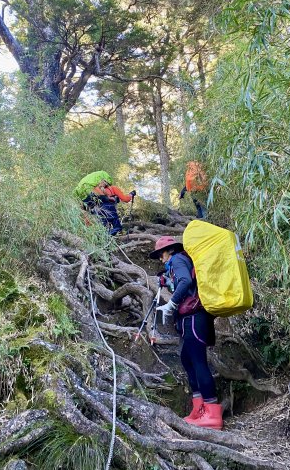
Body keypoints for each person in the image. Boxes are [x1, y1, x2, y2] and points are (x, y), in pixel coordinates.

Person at [149, 235, 223, 430]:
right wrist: (165, 280)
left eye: (161, 254)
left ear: (169, 251)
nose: (160, 258)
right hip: (188, 318)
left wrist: (171, 304)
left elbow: (184, 282)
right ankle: (198, 409)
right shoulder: (177, 263)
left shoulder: (178, 259)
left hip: (194, 317)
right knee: (187, 359)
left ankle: (212, 413)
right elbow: (181, 281)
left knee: (198, 361)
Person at [75, 171, 136, 236]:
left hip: (97, 211)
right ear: (107, 182)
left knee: (102, 229)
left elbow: (86, 206)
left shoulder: (93, 190)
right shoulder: (113, 188)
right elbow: (125, 199)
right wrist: (131, 194)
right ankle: (108, 238)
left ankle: (102, 240)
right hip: (109, 209)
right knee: (117, 228)